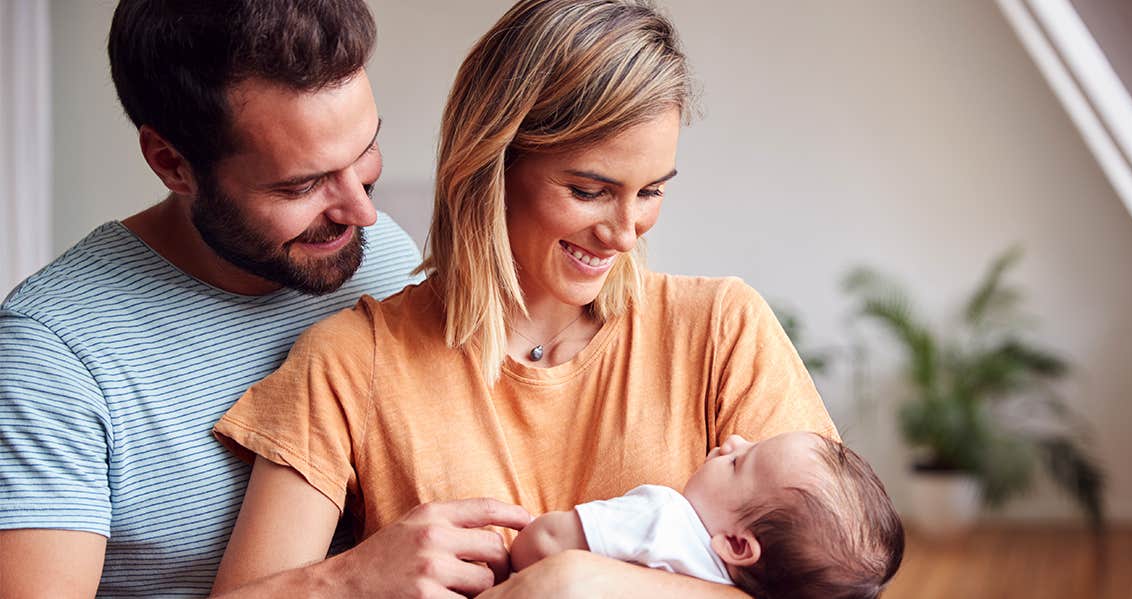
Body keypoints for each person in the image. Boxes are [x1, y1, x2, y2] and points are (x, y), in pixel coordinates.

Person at [210, 0, 840, 597]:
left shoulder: (722, 332)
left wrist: (582, 584)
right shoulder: (352, 363)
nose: (625, 232)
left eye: (650, 191)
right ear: (492, 166)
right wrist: (350, 582)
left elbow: (836, 582)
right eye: (590, 190)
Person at [0, 1, 433, 596]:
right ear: (172, 164)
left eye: (363, 154)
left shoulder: (379, 254)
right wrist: (346, 583)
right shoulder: (51, 359)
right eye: (301, 184)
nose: (363, 211)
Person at [509, 432, 905, 599]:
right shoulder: (749, 587)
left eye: (737, 463)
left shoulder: (662, 519)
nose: (731, 440)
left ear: (735, 543)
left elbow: (541, 544)